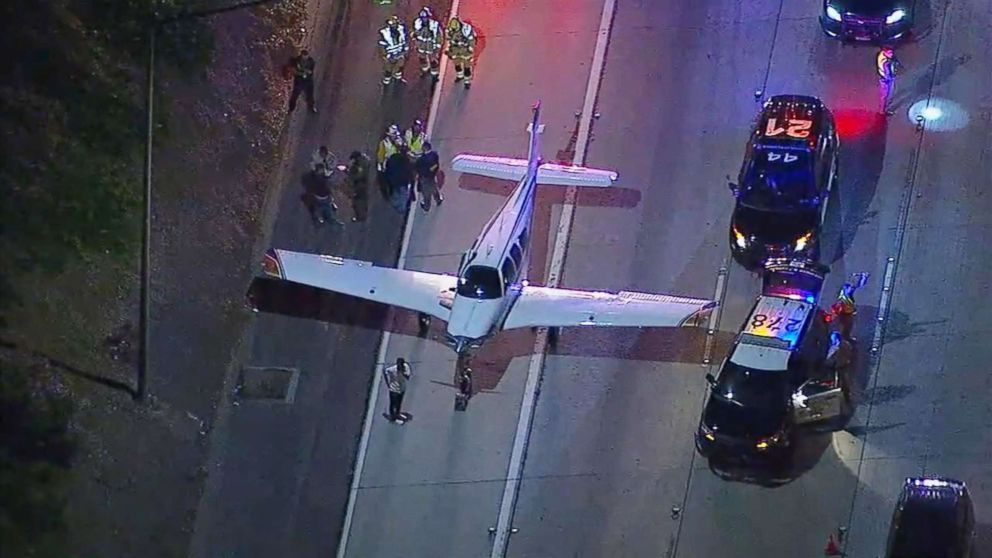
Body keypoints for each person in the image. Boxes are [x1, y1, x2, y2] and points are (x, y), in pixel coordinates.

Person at [411, 7, 443, 80]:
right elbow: (414, 33)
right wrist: (415, 42)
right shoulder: (417, 23)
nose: (424, 19)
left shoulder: (434, 25)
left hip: (431, 46)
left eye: (425, 18)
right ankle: (424, 70)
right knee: (422, 59)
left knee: (433, 61)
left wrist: (437, 47)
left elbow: (439, 36)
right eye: (422, 18)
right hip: (421, 46)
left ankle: (434, 74)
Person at [445, 16, 477, 88]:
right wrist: (448, 49)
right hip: (455, 50)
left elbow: (472, 41)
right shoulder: (450, 30)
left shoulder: (466, 30)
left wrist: (470, 48)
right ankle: (459, 76)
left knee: (467, 67)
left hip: (465, 51)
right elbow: (448, 39)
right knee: (457, 64)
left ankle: (467, 81)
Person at [378, 16, 409, 85]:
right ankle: (386, 81)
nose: (394, 26)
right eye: (392, 25)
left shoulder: (401, 29)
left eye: (395, 24)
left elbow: (405, 39)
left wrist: (405, 50)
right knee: (388, 68)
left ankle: (398, 78)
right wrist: (385, 55)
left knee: (400, 65)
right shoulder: (384, 33)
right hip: (390, 54)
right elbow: (381, 45)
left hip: (400, 52)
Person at [383, 145, 415, 211]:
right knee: (403, 195)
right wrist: (411, 179)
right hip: (402, 181)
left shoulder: (393, 157)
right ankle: (401, 209)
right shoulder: (406, 161)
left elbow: (388, 168)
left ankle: (395, 203)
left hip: (393, 180)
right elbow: (409, 171)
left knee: (396, 192)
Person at [382, 357, 413, 424]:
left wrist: (403, 373)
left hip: (402, 389)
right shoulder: (392, 369)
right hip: (394, 389)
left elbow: (408, 377)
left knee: (399, 403)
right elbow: (385, 371)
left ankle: (397, 414)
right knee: (393, 404)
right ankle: (393, 417)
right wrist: (388, 383)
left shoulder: (406, 367)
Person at [415, 141, 443, 211]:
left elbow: (418, 168)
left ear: (425, 148)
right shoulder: (434, 154)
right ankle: (438, 199)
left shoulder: (422, 159)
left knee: (426, 192)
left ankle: (426, 206)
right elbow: (436, 164)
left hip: (425, 177)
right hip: (432, 175)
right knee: (433, 187)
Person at [288, 49, 317, 113]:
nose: (305, 57)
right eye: (304, 55)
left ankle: (311, 107)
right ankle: (291, 109)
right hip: (299, 81)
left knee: (310, 95)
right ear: (301, 55)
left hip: (308, 81)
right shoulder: (296, 61)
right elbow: (293, 71)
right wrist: (299, 73)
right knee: (294, 96)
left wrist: (306, 72)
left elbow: (310, 71)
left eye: (306, 55)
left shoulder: (311, 61)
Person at [346, 150, 371, 222]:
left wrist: (350, 173)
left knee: (357, 201)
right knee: (362, 199)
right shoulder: (364, 162)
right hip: (362, 184)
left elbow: (359, 175)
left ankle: (360, 216)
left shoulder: (362, 164)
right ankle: (363, 214)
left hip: (359, 184)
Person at [876, 46, 903, 116]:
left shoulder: (881, 54)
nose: (891, 54)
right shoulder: (885, 62)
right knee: (884, 95)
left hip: (882, 76)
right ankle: (882, 111)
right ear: (885, 52)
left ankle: (882, 109)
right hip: (885, 79)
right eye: (889, 53)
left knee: (884, 95)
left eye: (891, 52)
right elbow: (887, 73)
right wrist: (891, 78)